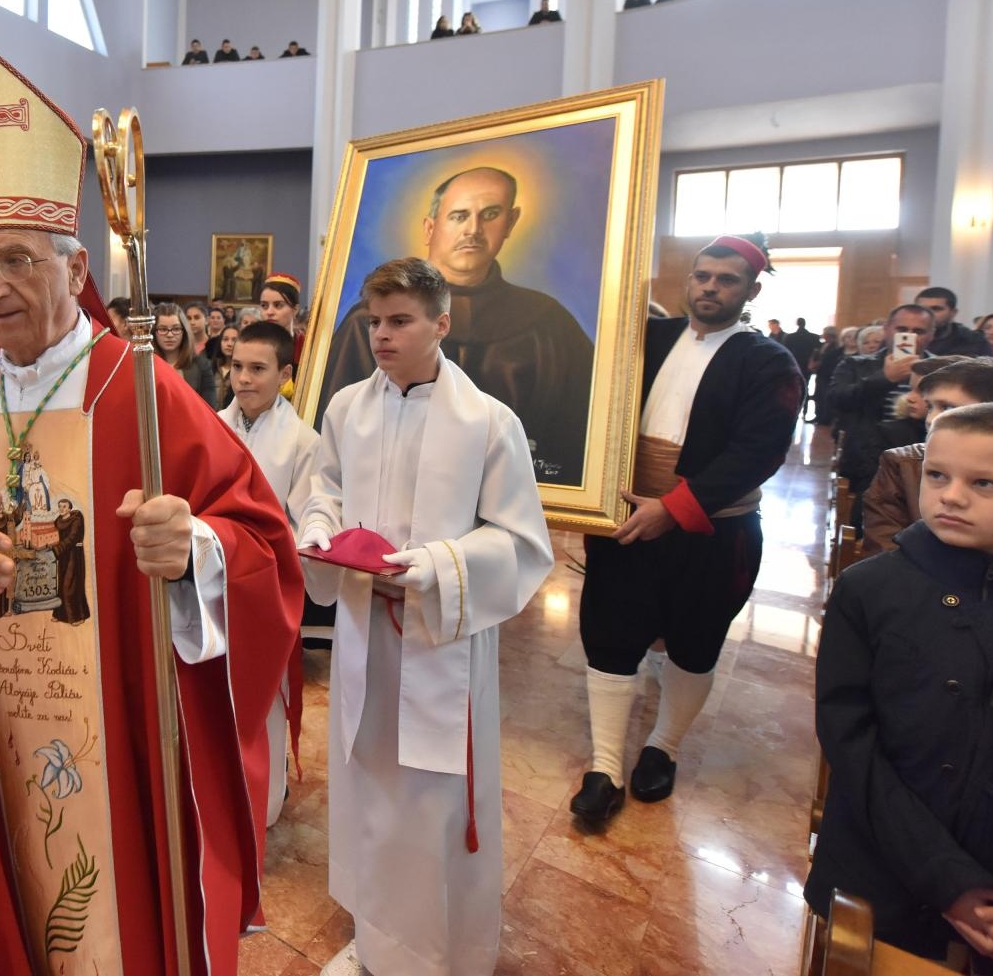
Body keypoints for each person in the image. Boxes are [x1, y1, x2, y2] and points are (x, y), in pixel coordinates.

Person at [0, 37, 300, 974]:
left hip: (114, 717)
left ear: (73, 264)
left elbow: (261, 536)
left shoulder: (134, 387)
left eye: (16, 260)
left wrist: (197, 549)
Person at [298, 258, 553, 976]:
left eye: (400, 320)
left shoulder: (489, 423)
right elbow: (327, 487)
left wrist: (438, 564)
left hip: (436, 635)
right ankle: (375, 937)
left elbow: (520, 541)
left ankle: (437, 955)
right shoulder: (347, 407)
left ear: (442, 323)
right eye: (374, 321)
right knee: (366, 788)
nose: (382, 335)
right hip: (363, 630)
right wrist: (318, 527)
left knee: (428, 803)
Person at [574, 235, 803, 825]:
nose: (710, 287)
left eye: (726, 279)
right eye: (702, 275)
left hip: (713, 534)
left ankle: (663, 748)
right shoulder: (646, 341)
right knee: (609, 636)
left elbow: (759, 452)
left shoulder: (770, 362)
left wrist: (673, 508)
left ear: (751, 291)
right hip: (625, 521)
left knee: (695, 644)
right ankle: (604, 766)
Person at [806, 402, 993, 967]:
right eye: (937, 476)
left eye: (983, 483)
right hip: (883, 860)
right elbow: (849, 739)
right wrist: (947, 877)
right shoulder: (869, 590)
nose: (951, 496)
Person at [321, 165, 595, 485]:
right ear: (430, 227)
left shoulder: (550, 325)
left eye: (490, 214)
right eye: (459, 216)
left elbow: (575, 441)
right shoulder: (362, 326)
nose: (473, 230)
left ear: (511, 222)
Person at [217, 321, 316, 829]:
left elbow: (303, 523)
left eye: (258, 369)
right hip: (212, 586)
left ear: (285, 375)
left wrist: (261, 562)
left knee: (264, 695)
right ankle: (217, 792)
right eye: (237, 366)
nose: (244, 379)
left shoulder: (304, 442)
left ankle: (264, 797)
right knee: (214, 692)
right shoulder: (209, 425)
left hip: (266, 589)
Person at [862, 357, 993, 552]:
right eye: (930, 406)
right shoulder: (904, 463)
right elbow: (886, 548)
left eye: (948, 408)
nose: (932, 418)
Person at [831, 304, 936, 500]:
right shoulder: (855, 364)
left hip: (927, 461)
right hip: (868, 460)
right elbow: (838, 400)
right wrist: (885, 379)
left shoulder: (945, 371)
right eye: (902, 329)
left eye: (919, 331)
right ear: (887, 329)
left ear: (931, 335)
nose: (909, 336)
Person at [153, 301, 218, 408]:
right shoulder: (146, 365)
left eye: (176, 329)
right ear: (154, 332)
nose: (170, 335)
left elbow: (209, 408)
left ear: (185, 331)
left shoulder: (202, 365)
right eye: (163, 329)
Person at [917, 286, 993, 356]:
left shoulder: (974, 341)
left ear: (953, 313)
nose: (928, 314)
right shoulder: (908, 337)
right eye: (922, 309)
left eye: (936, 309)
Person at [812, 325, 845, 424]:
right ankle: (818, 416)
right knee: (818, 396)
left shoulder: (836, 347)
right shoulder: (823, 345)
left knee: (825, 397)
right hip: (820, 373)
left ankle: (825, 418)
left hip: (827, 374)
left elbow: (830, 360)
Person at [212, 324, 240, 407]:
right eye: (225, 339)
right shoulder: (211, 367)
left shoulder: (243, 371)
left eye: (234, 340)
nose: (229, 344)